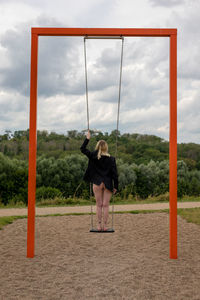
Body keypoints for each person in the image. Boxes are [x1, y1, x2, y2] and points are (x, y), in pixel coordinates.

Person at [80, 130, 118, 231]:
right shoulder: (111, 159)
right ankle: (105, 226)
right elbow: (115, 174)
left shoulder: (93, 156)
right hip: (108, 183)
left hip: (97, 182)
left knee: (98, 205)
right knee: (105, 205)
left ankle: (98, 226)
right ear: (106, 147)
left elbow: (82, 149)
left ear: (97, 146)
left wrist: (87, 138)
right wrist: (116, 186)